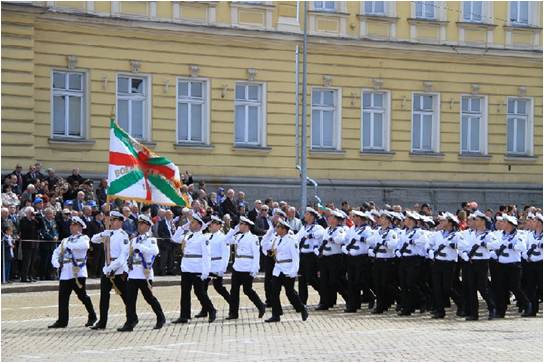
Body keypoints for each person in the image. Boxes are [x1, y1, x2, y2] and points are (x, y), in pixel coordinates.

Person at [117, 215, 166, 331]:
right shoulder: (133, 240)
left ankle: (161, 317)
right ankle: (130, 321)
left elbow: (155, 251)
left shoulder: (151, 240)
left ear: (148, 226)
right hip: (133, 273)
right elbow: (123, 255)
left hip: (145, 274)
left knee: (149, 298)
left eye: (142, 224)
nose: (139, 226)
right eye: (138, 224)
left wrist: (141, 247)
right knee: (130, 300)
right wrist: (123, 267)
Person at [48, 216, 97, 328]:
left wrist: (70, 246)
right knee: (63, 297)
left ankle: (92, 315)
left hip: (78, 272)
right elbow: (56, 251)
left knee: (82, 296)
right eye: (71, 225)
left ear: (79, 227)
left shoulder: (83, 238)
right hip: (66, 272)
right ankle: (62, 321)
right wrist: (55, 261)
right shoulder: (66, 240)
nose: (71, 227)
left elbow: (85, 246)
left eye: (74, 225)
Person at [172, 213, 217, 324]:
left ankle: (211, 310)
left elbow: (207, 255)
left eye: (192, 222)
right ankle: (184, 316)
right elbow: (174, 238)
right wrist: (183, 227)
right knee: (185, 293)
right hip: (186, 268)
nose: (190, 224)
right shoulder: (188, 236)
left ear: (199, 225)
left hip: (197, 268)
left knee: (200, 292)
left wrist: (206, 272)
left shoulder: (203, 238)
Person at [90, 210, 130, 330]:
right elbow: (93, 239)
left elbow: (123, 256)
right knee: (104, 296)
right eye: (110, 220)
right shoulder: (108, 233)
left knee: (126, 296)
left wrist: (112, 267)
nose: (111, 222)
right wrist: (103, 234)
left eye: (113, 220)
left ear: (120, 222)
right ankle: (102, 321)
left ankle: (131, 318)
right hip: (107, 267)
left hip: (118, 269)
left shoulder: (123, 235)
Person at [265, 219, 308, 322]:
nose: (277, 229)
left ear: (284, 229)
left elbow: (296, 257)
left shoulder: (291, 240)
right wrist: (269, 233)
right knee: (274, 291)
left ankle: (302, 308)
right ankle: (276, 315)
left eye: (279, 227)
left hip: (288, 269)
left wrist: (294, 271)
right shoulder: (276, 239)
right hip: (278, 268)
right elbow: (265, 246)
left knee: (290, 293)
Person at [459, 210, 498, 321]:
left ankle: (492, 308)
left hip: (482, 263)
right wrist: (465, 254)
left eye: (476, 220)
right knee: (471, 288)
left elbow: (496, 245)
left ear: (482, 221)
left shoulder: (488, 234)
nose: (474, 222)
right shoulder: (470, 234)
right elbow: (463, 246)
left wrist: (485, 244)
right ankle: (473, 313)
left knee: (483, 288)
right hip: (471, 262)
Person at [226, 216, 265, 320]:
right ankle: (233, 313)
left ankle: (261, 306)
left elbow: (256, 255)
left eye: (242, 224)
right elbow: (227, 240)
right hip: (237, 267)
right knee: (234, 291)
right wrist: (233, 230)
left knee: (247, 290)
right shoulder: (238, 236)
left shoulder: (253, 238)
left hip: (247, 268)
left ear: (247, 226)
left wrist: (255, 269)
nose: (240, 226)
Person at [426, 212, 464, 318]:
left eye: (444, 221)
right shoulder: (437, 234)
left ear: (450, 223)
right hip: (437, 262)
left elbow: (461, 246)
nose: (441, 222)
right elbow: (429, 244)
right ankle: (440, 310)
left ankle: (462, 305)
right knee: (437, 287)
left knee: (447, 287)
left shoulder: (456, 234)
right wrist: (430, 251)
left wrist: (451, 245)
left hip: (449, 263)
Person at [493, 214, 532, 318]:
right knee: (500, 288)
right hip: (501, 264)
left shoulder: (518, 235)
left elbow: (522, 247)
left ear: (510, 225)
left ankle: (527, 304)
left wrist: (511, 245)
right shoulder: (499, 235)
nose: (502, 223)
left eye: (504, 222)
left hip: (514, 265)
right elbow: (493, 246)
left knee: (515, 287)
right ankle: (500, 311)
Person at [195, 215, 231, 319]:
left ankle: (233, 303)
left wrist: (222, 268)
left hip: (217, 265)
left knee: (218, 287)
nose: (211, 225)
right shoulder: (206, 236)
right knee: (202, 288)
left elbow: (226, 254)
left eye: (214, 224)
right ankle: (205, 309)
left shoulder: (223, 237)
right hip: (207, 265)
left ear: (219, 226)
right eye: (211, 224)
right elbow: (198, 234)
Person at [342, 210, 376, 313]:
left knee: (361, 281)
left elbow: (372, 241)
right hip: (352, 258)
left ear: (360, 218)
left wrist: (360, 238)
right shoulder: (352, 229)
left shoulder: (367, 230)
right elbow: (346, 240)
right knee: (351, 282)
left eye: (355, 217)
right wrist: (346, 248)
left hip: (362, 258)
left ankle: (370, 296)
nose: (353, 218)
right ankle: (353, 305)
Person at [314, 209, 348, 311]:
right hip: (325, 257)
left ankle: (349, 298)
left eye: (331, 217)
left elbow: (341, 239)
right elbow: (322, 241)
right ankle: (325, 302)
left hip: (335, 258)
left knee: (335, 281)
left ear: (336, 220)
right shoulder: (327, 229)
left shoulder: (340, 230)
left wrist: (332, 238)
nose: (328, 219)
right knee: (324, 281)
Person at [395, 211, 428, 316]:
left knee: (411, 283)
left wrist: (412, 242)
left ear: (413, 221)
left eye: (408, 220)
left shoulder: (419, 232)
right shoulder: (403, 232)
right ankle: (407, 308)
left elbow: (423, 241)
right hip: (404, 259)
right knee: (404, 285)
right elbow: (399, 244)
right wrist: (397, 251)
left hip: (414, 260)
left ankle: (423, 300)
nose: (406, 221)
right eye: (406, 219)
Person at [368, 210, 399, 314]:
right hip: (378, 260)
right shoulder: (377, 231)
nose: (380, 219)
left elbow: (393, 245)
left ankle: (400, 301)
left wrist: (383, 242)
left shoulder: (391, 232)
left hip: (387, 261)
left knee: (388, 284)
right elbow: (370, 241)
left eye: (382, 218)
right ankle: (381, 306)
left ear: (387, 220)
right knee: (378, 284)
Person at [295, 207, 324, 306]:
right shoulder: (304, 227)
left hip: (312, 257)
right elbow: (297, 238)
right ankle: (302, 301)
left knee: (312, 278)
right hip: (303, 255)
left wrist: (308, 235)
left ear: (312, 216)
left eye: (307, 214)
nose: (305, 216)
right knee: (302, 279)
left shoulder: (317, 227)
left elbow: (319, 234)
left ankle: (324, 295)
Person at [523, 213, 542, 316]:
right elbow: (525, 247)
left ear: (539, 223)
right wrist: (526, 256)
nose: (532, 223)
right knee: (531, 287)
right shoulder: (529, 235)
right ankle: (533, 310)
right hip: (531, 263)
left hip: (541, 264)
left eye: (534, 221)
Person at [19, 206, 41, 282]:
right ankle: (24, 277)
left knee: (33, 261)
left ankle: (30, 276)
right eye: (31, 213)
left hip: (34, 244)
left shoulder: (34, 221)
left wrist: (36, 219)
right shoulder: (23, 220)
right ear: (27, 213)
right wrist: (30, 220)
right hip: (27, 244)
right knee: (26, 261)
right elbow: (25, 229)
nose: (32, 214)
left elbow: (40, 226)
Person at [157, 210, 178, 276]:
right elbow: (160, 232)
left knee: (171, 258)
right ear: (166, 215)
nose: (171, 216)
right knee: (164, 258)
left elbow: (174, 232)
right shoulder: (161, 222)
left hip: (173, 243)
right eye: (169, 214)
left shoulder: (173, 223)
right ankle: (162, 271)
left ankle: (170, 270)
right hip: (165, 243)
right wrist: (169, 239)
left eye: (171, 214)